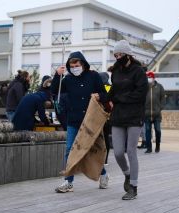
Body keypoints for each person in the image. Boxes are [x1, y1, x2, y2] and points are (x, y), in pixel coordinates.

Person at [51, 51, 109, 193]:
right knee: (70, 149)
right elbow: (54, 91)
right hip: (73, 120)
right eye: (72, 66)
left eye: (77, 65)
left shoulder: (94, 76)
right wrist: (57, 75)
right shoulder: (68, 79)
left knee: (92, 150)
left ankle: (103, 174)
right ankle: (68, 181)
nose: (75, 68)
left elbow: (105, 94)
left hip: (91, 121)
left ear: (82, 64)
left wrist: (98, 96)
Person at [108, 40, 148, 200]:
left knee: (131, 151)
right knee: (117, 152)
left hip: (134, 116)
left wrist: (120, 98)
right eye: (115, 55)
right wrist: (103, 96)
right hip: (117, 116)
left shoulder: (138, 72)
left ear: (128, 54)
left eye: (120, 54)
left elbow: (141, 93)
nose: (118, 57)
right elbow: (112, 91)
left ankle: (133, 186)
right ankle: (127, 174)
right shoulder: (116, 72)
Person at [144, 71, 165, 153]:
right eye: (147, 77)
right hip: (147, 113)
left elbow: (163, 98)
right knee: (148, 131)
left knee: (158, 130)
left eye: (150, 77)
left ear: (153, 78)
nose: (149, 79)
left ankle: (157, 146)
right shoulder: (144, 87)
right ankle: (149, 148)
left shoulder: (159, 87)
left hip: (157, 114)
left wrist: (160, 108)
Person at [99, 72, 112, 165]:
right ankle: (105, 159)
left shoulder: (98, 88)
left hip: (99, 116)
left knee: (99, 138)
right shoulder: (110, 87)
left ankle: (99, 158)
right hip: (109, 117)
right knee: (106, 138)